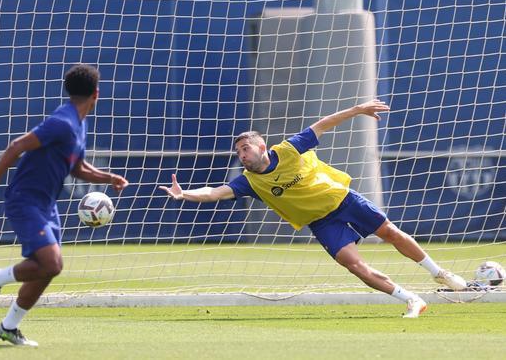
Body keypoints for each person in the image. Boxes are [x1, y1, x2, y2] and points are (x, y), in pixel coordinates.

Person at [159, 99, 466, 318]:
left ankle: (440, 274)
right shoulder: (248, 182)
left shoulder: (289, 149)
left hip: (343, 199)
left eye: (245, 148)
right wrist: (185, 193)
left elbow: (323, 124)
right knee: (354, 266)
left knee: (391, 233)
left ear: (261, 146)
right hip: (322, 222)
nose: (241, 155)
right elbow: (215, 193)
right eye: (238, 151)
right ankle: (411, 299)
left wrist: (358, 109)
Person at [0, 64, 128, 346]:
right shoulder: (62, 122)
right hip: (25, 200)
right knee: (51, 262)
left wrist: (108, 178)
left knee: (49, 268)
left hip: (47, 205)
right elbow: (16, 146)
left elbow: (78, 167)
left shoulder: (79, 123)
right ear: (97, 93)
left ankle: (9, 326)